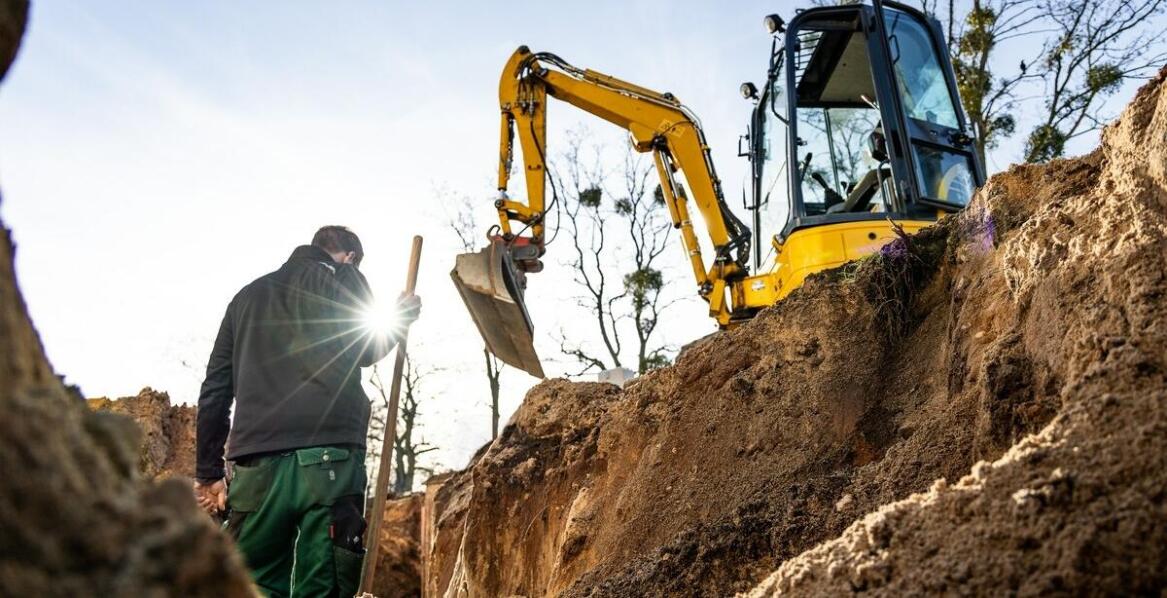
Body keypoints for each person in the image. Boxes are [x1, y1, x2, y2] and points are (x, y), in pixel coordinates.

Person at [193, 225, 421, 597]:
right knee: (323, 587)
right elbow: (365, 349)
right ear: (349, 258)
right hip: (330, 460)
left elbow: (216, 389)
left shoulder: (246, 298)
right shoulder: (342, 282)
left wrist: (208, 473)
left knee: (251, 584)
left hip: (256, 469)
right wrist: (400, 317)